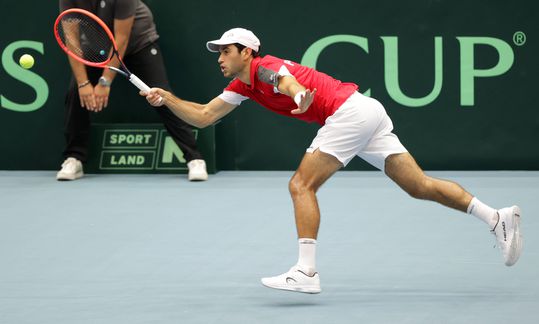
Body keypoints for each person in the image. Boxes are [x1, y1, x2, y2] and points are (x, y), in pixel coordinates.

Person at [141, 28, 523, 294]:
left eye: (226, 50)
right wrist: (167, 99)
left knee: (300, 184)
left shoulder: (266, 68)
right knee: (418, 186)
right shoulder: (242, 84)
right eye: (219, 51)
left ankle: (306, 271)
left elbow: (287, 82)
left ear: (247, 53)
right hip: (365, 109)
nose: (220, 57)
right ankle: (496, 217)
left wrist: (299, 95)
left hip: (346, 113)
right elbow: (205, 115)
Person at [56, 0, 208, 181]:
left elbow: (121, 38)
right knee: (75, 94)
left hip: (138, 43)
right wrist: (83, 84)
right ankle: (74, 158)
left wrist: (104, 82)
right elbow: (72, 41)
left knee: (160, 96)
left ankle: (195, 158)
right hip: (97, 49)